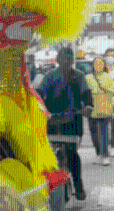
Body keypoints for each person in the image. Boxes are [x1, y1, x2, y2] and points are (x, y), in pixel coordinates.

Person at [37, 46, 89, 200]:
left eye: (68, 59)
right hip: (52, 120)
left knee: (72, 153)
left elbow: (86, 94)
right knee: (49, 154)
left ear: (72, 60)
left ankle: (78, 185)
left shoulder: (79, 76)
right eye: (63, 59)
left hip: (73, 121)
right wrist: (36, 105)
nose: (66, 62)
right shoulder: (49, 76)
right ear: (58, 60)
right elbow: (39, 92)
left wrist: (88, 106)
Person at [85, 56, 114, 165]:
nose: (98, 66)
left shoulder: (107, 76)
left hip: (104, 107)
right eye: (96, 64)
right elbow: (84, 92)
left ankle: (105, 155)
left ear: (104, 65)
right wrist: (92, 93)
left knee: (104, 132)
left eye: (101, 64)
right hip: (92, 108)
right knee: (93, 132)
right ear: (93, 66)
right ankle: (99, 152)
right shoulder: (88, 77)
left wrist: (104, 89)